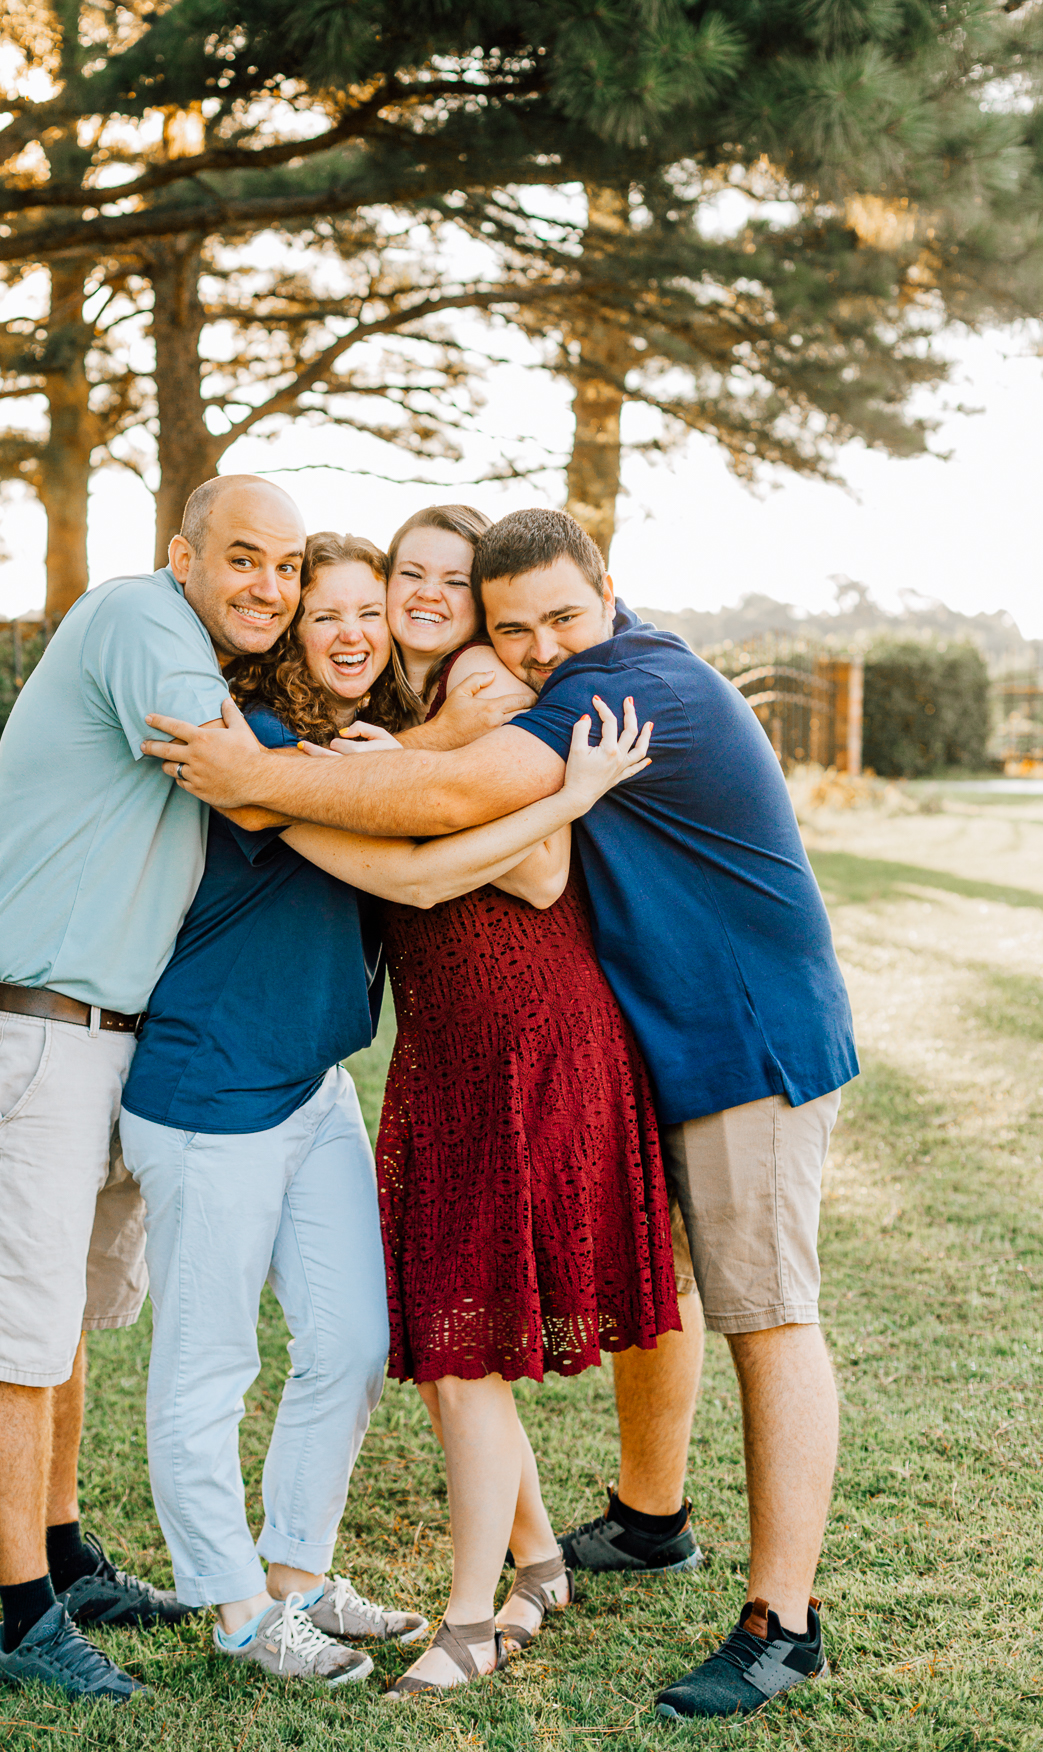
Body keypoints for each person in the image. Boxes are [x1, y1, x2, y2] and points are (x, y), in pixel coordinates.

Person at [145, 506, 859, 1726]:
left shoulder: (613, 686)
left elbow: (477, 811)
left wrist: (263, 779)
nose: (536, 647)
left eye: (555, 619)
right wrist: (349, 762)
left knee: (769, 1312)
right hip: (658, 1035)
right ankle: (647, 1517)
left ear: (609, 593)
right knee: (673, 1297)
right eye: (514, 622)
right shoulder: (522, 681)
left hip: (748, 1042)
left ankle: (783, 1622)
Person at [123, 532, 652, 1693]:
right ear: (293, 631)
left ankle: (302, 1573)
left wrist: (441, 748)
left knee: (360, 1341)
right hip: (213, 1083)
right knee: (212, 1364)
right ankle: (237, 1605)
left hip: (317, 1083)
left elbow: (518, 863)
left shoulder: (403, 727)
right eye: (331, 614)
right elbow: (414, 874)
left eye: (397, 597)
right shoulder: (260, 745)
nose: (363, 627)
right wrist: (553, 785)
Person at [0, 474, 306, 1705]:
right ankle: (23, 1616)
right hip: (32, 1027)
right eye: (244, 557)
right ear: (183, 554)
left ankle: (63, 1548)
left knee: (76, 1314)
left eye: (290, 567)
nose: (269, 586)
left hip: (114, 1035)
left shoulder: (192, 641)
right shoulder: (143, 618)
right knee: (15, 1326)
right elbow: (243, 776)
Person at [326, 506, 684, 1700]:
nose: (425, 593)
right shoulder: (400, 717)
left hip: (532, 1032)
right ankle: (536, 1561)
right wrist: (389, 759)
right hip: (448, 1049)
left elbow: (537, 868)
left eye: (446, 576)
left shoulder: (486, 684)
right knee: (446, 1332)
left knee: (461, 1349)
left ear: (481, 601)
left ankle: (472, 1615)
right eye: (405, 572)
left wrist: (390, 773)